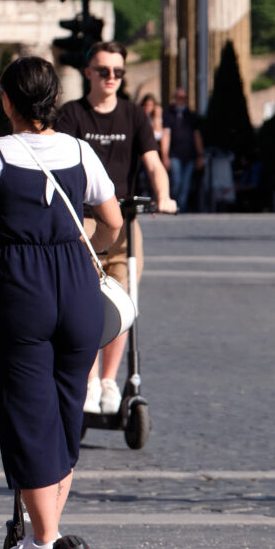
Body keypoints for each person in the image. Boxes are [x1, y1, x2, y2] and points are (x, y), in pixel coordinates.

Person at [0, 57, 122, 549]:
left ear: (7, 102)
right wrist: (78, 243)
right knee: (68, 408)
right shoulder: (80, 151)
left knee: (26, 412)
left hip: (20, 289)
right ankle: (49, 532)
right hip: (77, 286)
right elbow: (111, 222)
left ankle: (45, 543)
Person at [55, 41, 176, 415]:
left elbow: (153, 162)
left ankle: (110, 381)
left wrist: (164, 195)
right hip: (84, 222)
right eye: (104, 70)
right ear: (88, 72)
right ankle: (88, 381)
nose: (111, 78)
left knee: (123, 303)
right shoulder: (72, 115)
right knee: (87, 304)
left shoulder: (134, 115)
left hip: (124, 220)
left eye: (118, 72)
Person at [162, 86, 203, 211]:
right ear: (174, 98)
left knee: (186, 184)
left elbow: (197, 136)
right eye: (179, 97)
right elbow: (166, 135)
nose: (182, 100)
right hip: (175, 154)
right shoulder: (169, 114)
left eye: (184, 97)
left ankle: (181, 208)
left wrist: (200, 154)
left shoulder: (190, 115)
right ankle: (173, 203)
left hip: (190, 155)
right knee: (176, 181)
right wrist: (164, 155)